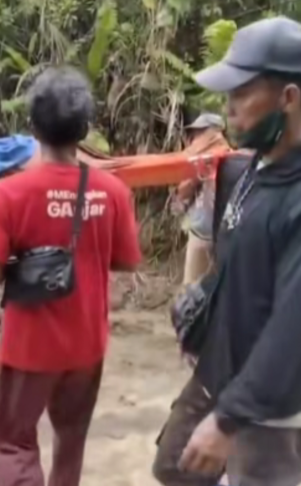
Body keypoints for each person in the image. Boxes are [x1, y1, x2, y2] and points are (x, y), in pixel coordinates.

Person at [0, 66, 141, 486]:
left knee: (10, 440)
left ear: (32, 125)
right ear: (84, 128)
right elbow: (126, 261)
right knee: (71, 436)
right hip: (87, 341)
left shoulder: (10, 193)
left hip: (30, 345)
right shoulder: (114, 190)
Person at [174, 17, 301, 483]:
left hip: (269, 414)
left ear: (288, 98)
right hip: (225, 379)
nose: (227, 109)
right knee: (175, 469)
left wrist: (230, 417)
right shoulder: (256, 165)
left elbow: (293, 327)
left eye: (241, 94)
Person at [152, 113, 233, 486]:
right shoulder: (232, 158)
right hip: (217, 243)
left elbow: (181, 197)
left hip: (204, 240)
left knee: (193, 301)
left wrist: (181, 196)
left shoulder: (209, 158)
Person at [172, 113, 230, 286]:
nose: (196, 137)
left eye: (200, 131)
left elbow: (184, 190)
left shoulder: (206, 159)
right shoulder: (231, 155)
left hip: (203, 233)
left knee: (192, 289)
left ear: (213, 132)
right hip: (225, 234)